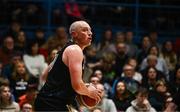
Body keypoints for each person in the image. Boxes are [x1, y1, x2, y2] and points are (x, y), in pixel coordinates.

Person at [34, 20, 102, 111]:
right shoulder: (75, 50)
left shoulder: (66, 49)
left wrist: (67, 88)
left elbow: (44, 76)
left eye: (90, 30)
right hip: (53, 104)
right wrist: (89, 92)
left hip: (46, 101)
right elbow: (77, 85)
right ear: (74, 34)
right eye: (85, 30)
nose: (90, 33)